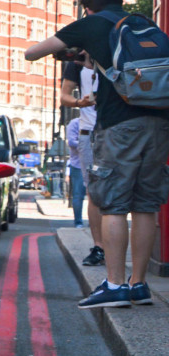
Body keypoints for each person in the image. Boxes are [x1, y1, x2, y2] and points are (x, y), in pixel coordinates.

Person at [26, 0, 169, 308]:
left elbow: (32, 52)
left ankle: (115, 285)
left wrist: (74, 46)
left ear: (88, 7)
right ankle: (139, 285)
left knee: (114, 204)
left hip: (119, 125)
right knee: (146, 205)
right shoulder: (143, 23)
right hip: (161, 121)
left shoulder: (91, 24)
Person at [60, 60, 105, 264]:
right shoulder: (76, 64)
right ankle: (99, 247)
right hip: (89, 133)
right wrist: (79, 102)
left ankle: (114, 245)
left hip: (116, 130)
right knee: (93, 192)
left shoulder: (113, 51)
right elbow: (64, 96)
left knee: (121, 191)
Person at [65, 116, 86, 227]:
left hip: (97, 163)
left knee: (97, 196)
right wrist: (88, 145)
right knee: (78, 195)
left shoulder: (99, 120)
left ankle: (96, 223)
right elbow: (72, 142)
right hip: (78, 165)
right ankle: (78, 222)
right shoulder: (74, 123)